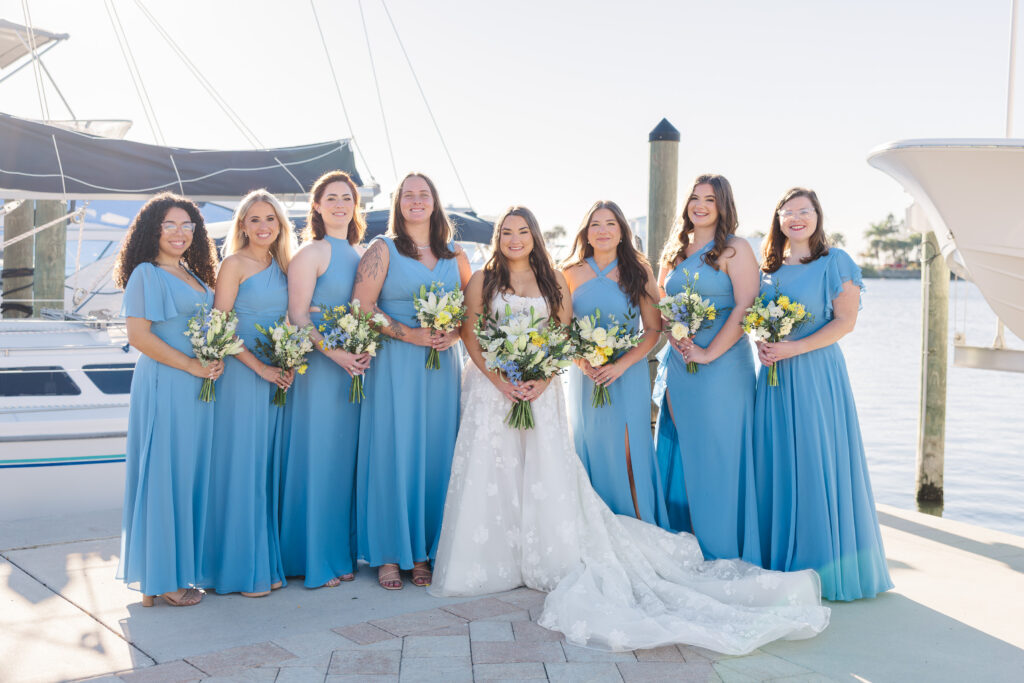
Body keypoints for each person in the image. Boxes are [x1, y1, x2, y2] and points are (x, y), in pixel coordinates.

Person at [431, 207, 830, 655]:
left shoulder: (583, 275)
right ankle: (498, 556)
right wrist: (531, 372)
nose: (514, 238)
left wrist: (549, 375)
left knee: (572, 464)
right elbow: (481, 333)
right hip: (513, 386)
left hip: (580, 381)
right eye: (506, 232)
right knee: (499, 468)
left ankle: (571, 544)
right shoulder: (515, 277)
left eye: (522, 231)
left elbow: (588, 330)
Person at [753, 187, 894, 601]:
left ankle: (825, 567)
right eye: (788, 212)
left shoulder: (836, 261)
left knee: (817, 459)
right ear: (778, 219)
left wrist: (793, 348)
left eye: (805, 210)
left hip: (816, 374)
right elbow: (758, 318)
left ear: (818, 216)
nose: (796, 218)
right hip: (774, 378)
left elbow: (845, 322)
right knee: (777, 458)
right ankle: (781, 562)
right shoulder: (768, 269)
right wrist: (762, 343)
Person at [352, 172, 472, 590]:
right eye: (408, 195)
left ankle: (423, 550)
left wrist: (453, 335)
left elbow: (472, 311)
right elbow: (362, 305)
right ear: (398, 203)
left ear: (435, 202)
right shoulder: (381, 248)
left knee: (436, 451)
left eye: (424, 194)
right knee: (395, 449)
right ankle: (389, 552)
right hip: (396, 364)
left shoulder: (456, 254)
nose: (416, 201)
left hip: (441, 368)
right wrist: (410, 334)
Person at [114, 192, 221, 607]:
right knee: (164, 474)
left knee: (185, 475)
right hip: (166, 382)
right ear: (152, 230)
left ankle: (174, 569)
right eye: (170, 225)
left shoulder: (192, 274)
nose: (180, 233)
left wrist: (211, 359)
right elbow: (139, 337)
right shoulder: (147, 273)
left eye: (187, 225)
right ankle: (161, 578)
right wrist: (192, 365)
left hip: (196, 387)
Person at [653, 174, 762, 562]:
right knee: (687, 450)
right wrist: (675, 334)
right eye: (695, 198)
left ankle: (725, 548)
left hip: (724, 367)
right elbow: (662, 304)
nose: (700, 206)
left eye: (710, 200)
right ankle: (686, 543)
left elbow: (746, 306)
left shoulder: (735, 249)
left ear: (722, 206)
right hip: (681, 365)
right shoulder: (673, 252)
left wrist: (708, 353)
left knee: (720, 452)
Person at [202, 190, 294, 596]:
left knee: (264, 467)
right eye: (254, 219)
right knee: (241, 466)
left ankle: (263, 562)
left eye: (270, 219)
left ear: (280, 225)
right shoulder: (234, 264)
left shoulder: (284, 265)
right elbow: (219, 325)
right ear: (242, 225)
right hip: (243, 375)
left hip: (276, 373)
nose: (263, 226)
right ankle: (240, 571)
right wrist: (261, 368)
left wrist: (289, 360)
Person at [281, 171, 368, 588]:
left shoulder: (361, 253)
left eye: (346, 198)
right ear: (316, 206)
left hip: (354, 369)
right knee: (318, 457)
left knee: (343, 463)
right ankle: (313, 557)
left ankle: (340, 552)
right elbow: (297, 315)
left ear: (356, 206)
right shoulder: (311, 252)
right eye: (331, 198)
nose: (339, 205)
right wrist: (334, 353)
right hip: (320, 369)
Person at [561, 201, 670, 527]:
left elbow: (653, 330)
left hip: (627, 374)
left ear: (623, 231)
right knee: (590, 449)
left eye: (611, 224)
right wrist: (582, 361)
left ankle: (640, 528)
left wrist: (621, 365)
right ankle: (595, 531)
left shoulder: (639, 271)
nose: (603, 230)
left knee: (629, 454)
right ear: (586, 232)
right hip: (586, 377)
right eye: (596, 224)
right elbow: (561, 330)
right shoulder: (569, 272)